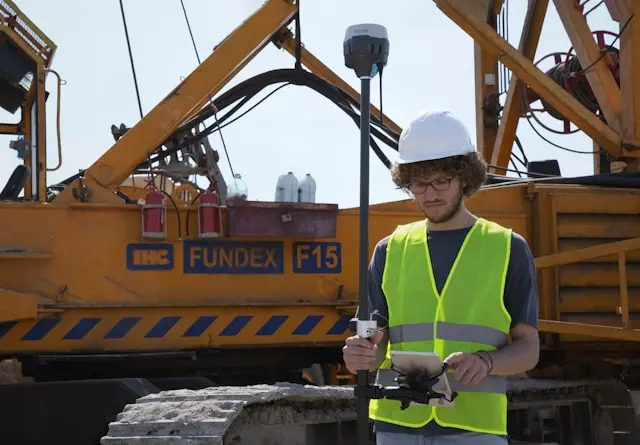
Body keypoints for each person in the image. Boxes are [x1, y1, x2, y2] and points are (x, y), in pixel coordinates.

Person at [342, 109, 540, 445]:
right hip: (397, 423)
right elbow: (372, 331)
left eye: (441, 181)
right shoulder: (389, 249)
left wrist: (487, 361)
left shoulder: (507, 248)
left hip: (474, 428)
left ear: (464, 177)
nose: (430, 194)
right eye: (419, 183)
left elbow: (529, 349)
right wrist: (359, 351)